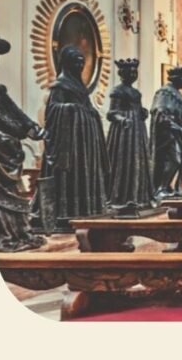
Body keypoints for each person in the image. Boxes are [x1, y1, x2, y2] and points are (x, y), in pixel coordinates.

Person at [33, 45, 110, 228]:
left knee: (83, 172)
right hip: (69, 143)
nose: (80, 65)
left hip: (82, 141)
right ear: (67, 63)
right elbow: (52, 111)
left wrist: (91, 114)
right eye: (76, 62)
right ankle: (66, 211)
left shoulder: (80, 87)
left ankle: (85, 208)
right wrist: (74, 109)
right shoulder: (61, 84)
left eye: (82, 62)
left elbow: (87, 107)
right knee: (69, 176)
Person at [0, 36, 46, 251]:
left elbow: (14, 113)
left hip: (3, 149)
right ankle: (1, 233)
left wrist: (32, 128)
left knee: (9, 191)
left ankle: (14, 231)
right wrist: (11, 133)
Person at [106, 58, 155, 213]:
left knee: (138, 161)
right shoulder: (117, 91)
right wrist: (122, 119)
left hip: (137, 130)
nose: (133, 74)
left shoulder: (136, 93)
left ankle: (139, 196)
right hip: (124, 133)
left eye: (135, 72)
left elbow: (138, 108)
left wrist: (142, 112)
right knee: (124, 162)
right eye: (130, 72)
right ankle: (121, 197)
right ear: (122, 73)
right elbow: (111, 113)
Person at [150, 66, 182, 199]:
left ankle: (169, 186)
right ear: (176, 78)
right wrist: (179, 128)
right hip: (168, 133)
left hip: (179, 134)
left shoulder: (177, 93)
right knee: (174, 159)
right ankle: (160, 188)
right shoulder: (165, 92)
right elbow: (161, 113)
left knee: (179, 161)